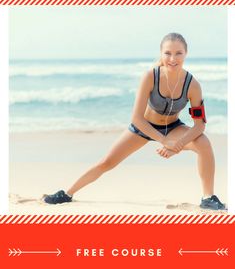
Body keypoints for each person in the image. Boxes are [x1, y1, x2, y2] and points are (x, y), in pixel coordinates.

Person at [44, 33, 226, 210]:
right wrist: (164, 141)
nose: (173, 58)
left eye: (178, 53)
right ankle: (67, 193)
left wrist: (176, 145)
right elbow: (136, 118)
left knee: (203, 142)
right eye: (168, 53)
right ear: (161, 53)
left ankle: (208, 198)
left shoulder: (192, 85)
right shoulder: (150, 77)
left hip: (172, 128)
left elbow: (200, 125)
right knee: (106, 163)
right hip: (144, 127)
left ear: (185, 54)